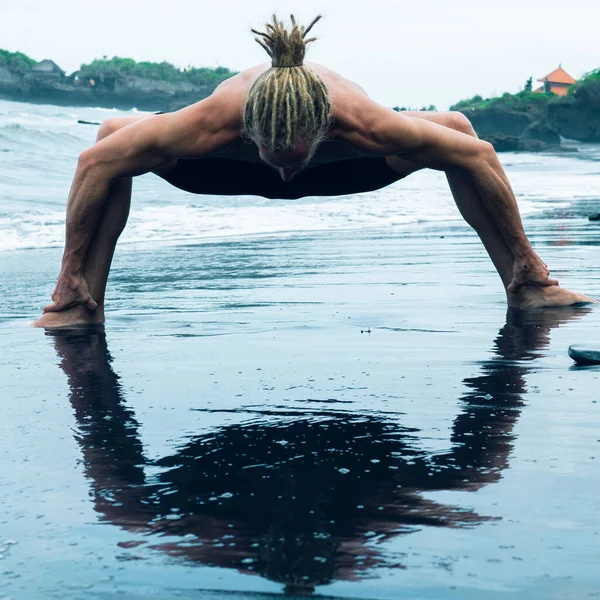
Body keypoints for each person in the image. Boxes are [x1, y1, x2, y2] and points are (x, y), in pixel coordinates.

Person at [34, 15, 594, 328]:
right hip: (224, 169)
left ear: (323, 130)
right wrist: (66, 273)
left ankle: (525, 288)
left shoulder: (364, 122)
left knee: (460, 131)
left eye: (293, 157)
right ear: (249, 130)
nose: (285, 178)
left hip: (348, 168)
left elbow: (482, 155)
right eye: (274, 156)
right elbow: (93, 160)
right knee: (112, 138)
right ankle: (80, 303)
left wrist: (533, 262)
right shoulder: (211, 121)